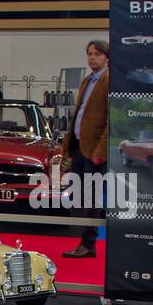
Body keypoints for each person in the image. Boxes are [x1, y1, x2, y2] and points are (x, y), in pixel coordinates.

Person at [61, 39, 110, 258]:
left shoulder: (109, 80)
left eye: (97, 54)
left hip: (94, 152)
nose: (92, 58)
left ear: (106, 57)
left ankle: (89, 244)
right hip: (80, 147)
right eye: (89, 54)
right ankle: (84, 241)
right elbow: (79, 115)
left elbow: (111, 120)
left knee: (92, 198)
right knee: (80, 196)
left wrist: (100, 151)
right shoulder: (88, 80)